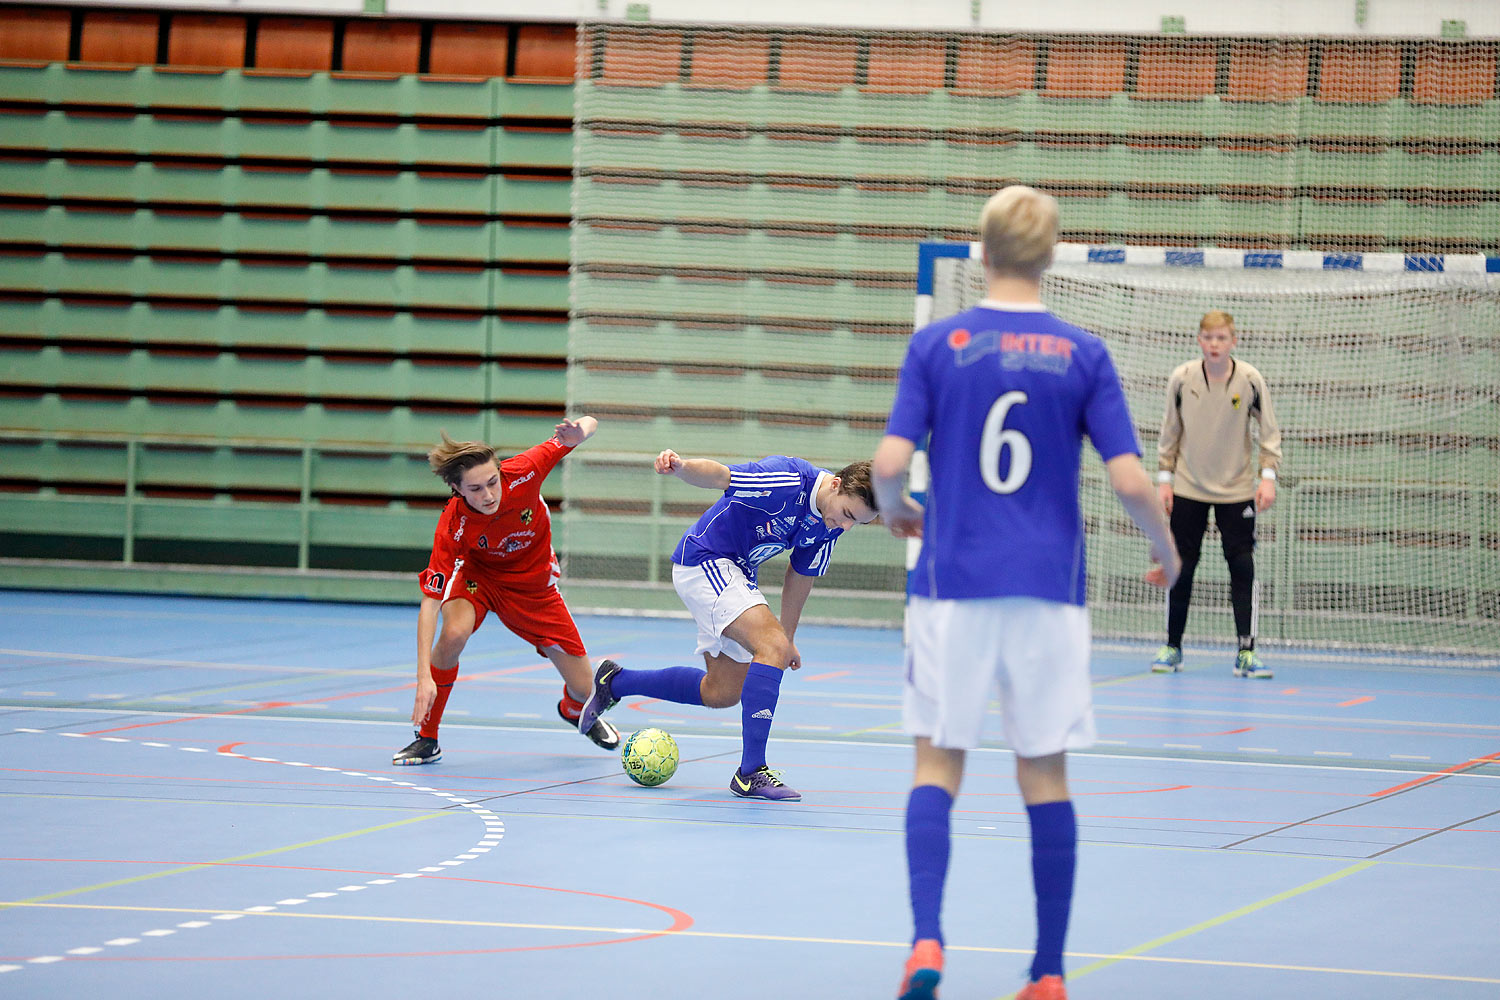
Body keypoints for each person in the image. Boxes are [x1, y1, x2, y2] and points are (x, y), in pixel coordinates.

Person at [871, 185, 1181, 1000]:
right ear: (1051, 258)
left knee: (937, 763)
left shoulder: (941, 342)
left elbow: (891, 464)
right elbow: (1129, 480)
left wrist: (901, 513)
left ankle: (927, 944)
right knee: (1044, 776)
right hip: (1049, 593)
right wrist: (1168, 553)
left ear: (981, 254)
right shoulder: (1083, 353)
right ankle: (1047, 973)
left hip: (954, 586)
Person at [576, 449, 879, 801]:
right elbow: (722, 476)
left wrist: (788, 637)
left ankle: (616, 681)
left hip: (736, 573)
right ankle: (751, 773)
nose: (846, 526)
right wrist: (682, 468)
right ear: (836, 485)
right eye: (847, 515)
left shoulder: (830, 524)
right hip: (706, 559)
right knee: (771, 647)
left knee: (721, 693)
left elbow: (801, 575)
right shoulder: (787, 478)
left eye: (858, 522)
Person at [393, 417, 622, 765]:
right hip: (479, 579)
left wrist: (579, 432)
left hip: (533, 587)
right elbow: (430, 603)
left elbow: (589, 423)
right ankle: (427, 737)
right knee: (453, 633)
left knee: (586, 688)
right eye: (475, 489)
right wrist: (424, 676)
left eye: (492, 482)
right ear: (457, 489)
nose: (488, 495)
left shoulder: (526, 470)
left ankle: (574, 710)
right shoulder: (453, 525)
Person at [1151, 309, 1282, 679]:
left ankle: (1246, 650)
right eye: (1208, 338)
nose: (1214, 344)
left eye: (1221, 338)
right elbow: (1169, 434)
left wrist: (1267, 477)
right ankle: (1172, 647)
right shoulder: (1182, 378)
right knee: (1182, 566)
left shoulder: (1251, 379)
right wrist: (1165, 480)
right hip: (1188, 486)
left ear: (1233, 341)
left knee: (1241, 565)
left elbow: (1269, 434)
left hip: (1237, 489)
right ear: (1199, 340)